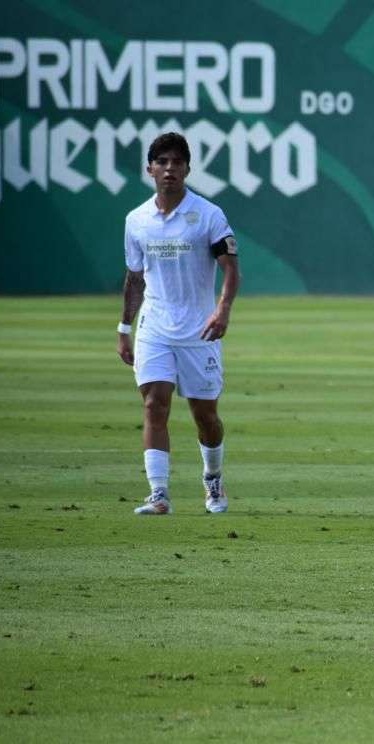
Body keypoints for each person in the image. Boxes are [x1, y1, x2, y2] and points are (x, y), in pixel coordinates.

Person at [117, 132, 240, 515]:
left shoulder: (208, 215)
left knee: (206, 416)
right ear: (150, 169)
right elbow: (135, 278)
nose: (170, 169)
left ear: (188, 168)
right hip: (154, 327)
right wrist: (124, 328)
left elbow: (230, 268)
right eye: (163, 162)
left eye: (178, 162)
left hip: (199, 329)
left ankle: (213, 479)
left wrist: (222, 310)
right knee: (155, 404)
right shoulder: (136, 220)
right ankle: (159, 494)